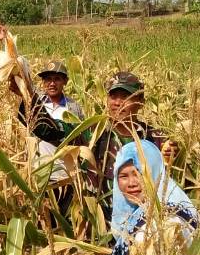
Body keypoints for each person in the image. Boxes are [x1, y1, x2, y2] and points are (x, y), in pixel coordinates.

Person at [20, 70, 177, 219]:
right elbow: (47, 129)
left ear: (141, 102)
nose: (117, 103)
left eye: (125, 97)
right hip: (100, 224)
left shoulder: (154, 138)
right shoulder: (92, 132)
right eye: (113, 96)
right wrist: (24, 89)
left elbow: (175, 177)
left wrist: (172, 153)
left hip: (142, 224)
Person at [12, 61, 85, 216]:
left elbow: (79, 138)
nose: (52, 83)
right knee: (43, 221)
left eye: (57, 79)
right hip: (40, 175)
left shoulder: (73, 108)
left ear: (65, 81)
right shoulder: (34, 103)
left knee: (65, 220)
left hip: (66, 176)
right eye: (48, 79)